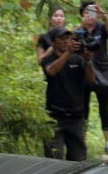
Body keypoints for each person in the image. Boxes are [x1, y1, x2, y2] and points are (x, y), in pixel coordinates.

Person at [40, 27, 96, 161]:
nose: (66, 42)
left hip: (76, 117)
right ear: (53, 42)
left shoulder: (77, 59)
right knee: (54, 158)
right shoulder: (48, 59)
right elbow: (51, 71)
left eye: (68, 39)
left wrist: (88, 60)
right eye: (62, 39)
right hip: (54, 117)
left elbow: (91, 79)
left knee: (78, 160)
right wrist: (68, 53)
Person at [77, 0, 108, 156]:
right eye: (86, 12)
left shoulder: (101, 28)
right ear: (82, 15)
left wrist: (102, 14)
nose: (90, 16)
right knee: (84, 109)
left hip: (102, 72)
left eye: (92, 12)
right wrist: (80, 27)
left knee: (104, 108)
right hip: (84, 73)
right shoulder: (79, 31)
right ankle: (83, 144)